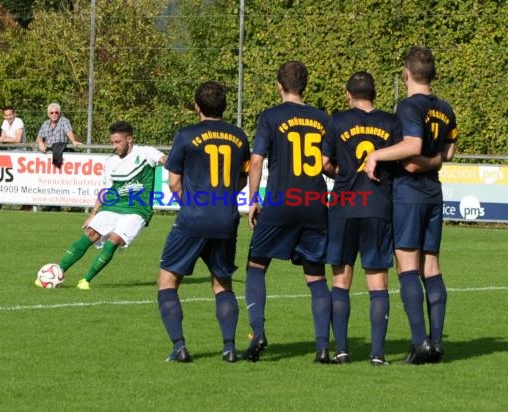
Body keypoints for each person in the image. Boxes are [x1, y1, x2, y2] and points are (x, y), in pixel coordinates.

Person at [364, 46, 458, 364]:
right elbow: (449, 152)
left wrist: (376, 154)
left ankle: (419, 342)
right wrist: (430, 161)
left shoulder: (407, 106)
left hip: (408, 195)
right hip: (433, 194)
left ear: (406, 74)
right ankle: (436, 342)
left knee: (407, 266)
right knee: (430, 266)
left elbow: (412, 146)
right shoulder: (445, 108)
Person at [243, 61, 332, 363]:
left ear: (279, 86)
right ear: (304, 86)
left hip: (282, 201)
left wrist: (253, 198)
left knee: (256, 266)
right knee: (316, 277)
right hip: (316, 203)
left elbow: (256, 162)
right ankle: (322, 347)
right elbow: (327, 163)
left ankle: (258, 333)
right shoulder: (322, 118)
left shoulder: (270, 117)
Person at [157, 81, 250, 363]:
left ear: (197, 106)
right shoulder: (239, 136)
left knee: (167, 282)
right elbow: (243, 179)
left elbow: (174, 182)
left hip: (193, 219)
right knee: (223, 284)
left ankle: (180, 346)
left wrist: (193, 202)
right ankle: (230, 347)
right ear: (224, 106)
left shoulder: (186, 135)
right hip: (226, 218)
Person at [322, 71, 402, 366]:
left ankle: (342, 350)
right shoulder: (392, 122)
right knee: (377, 282)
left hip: (344, 206)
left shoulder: (338, 121)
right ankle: (378, 354)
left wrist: (341, 174)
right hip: (379, 207)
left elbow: (324, 163)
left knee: (341, 281)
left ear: (348, 94)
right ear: (375, 94)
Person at [35, 120, 166, 290]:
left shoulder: (146, 153)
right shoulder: (111, 161)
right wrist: (93, 213)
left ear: (130, 139)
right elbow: (106, 189)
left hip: (137, 210)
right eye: (112, 142)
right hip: (113, 206)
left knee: (114, 240)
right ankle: (58, 271)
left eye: (118, 142)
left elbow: (165, 160)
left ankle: (85, 280)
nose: (114, 146)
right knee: (90, 234)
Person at [36, 102, 82, 211]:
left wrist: (73, 141)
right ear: (48, 114)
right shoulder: (45, 124)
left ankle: (57, 205)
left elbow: (69, 132)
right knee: (48, 181)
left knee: (59, 182)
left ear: (59, 113)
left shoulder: (64, 121)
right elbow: (39, 138)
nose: (54, 114)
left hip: (60, 154)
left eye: (56, 112)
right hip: (47, 157)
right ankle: (47, 204)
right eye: (52, 113)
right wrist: (41, 143)